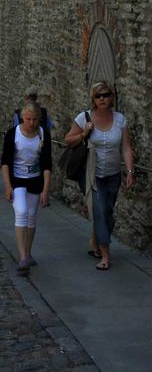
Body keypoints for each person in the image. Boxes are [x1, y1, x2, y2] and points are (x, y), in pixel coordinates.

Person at [63, 82, 136, 271]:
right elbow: (68, 140)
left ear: (112, 97)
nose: (102, 98)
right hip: (91, 175)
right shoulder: (84, 117)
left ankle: (95, 242)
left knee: (107, 213)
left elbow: (126, 147)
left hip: (113, 175)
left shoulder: (120, 120)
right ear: (93, 99)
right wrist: (84, 133)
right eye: (98, 96)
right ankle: (105, 255)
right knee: (100, 210)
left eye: (106, 95)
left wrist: (130, 171)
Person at [0, 102, 52, 276]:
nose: (31, 122)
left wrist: (46, 189)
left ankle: (28, 253)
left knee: (31, 217)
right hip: (18, 180)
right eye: (28, 119)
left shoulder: (43, 134)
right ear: (22, 117)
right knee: (21, 212)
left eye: (35, 119)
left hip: (35, 180)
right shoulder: (12, 134)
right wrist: (8, 186)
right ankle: (22, 257)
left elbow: (46, 164)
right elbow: (5, 162)